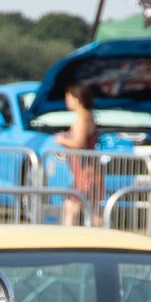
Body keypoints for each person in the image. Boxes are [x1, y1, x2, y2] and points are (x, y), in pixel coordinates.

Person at [59, 81, 99, 225]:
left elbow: (79, 144)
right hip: (81, 172)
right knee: (88, 212)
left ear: (78, 98)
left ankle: (67, 243)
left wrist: (62, 140)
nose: (67, 100)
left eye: (68, 97)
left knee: (73, 209)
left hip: (86, 173)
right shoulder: (84, 116)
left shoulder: (83, 117)